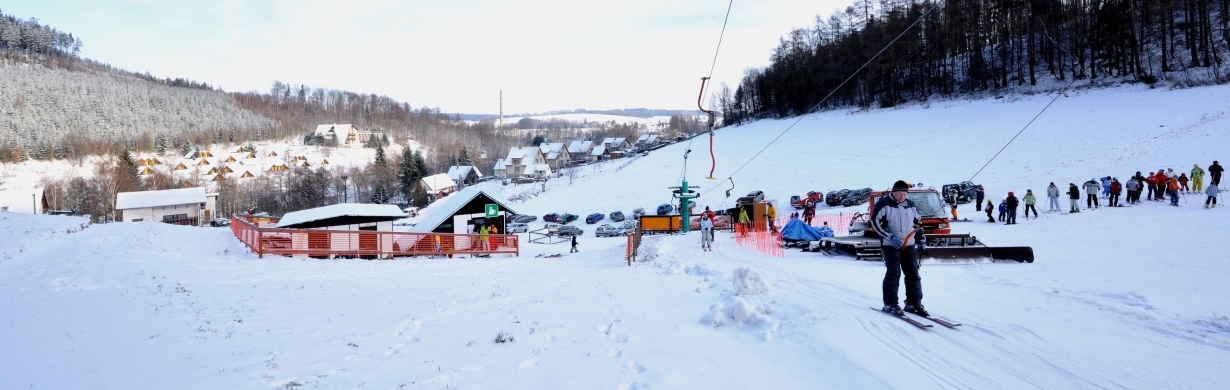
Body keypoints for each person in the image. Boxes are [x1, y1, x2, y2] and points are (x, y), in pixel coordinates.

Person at [873, 180, 926, 316]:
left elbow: (917, 223)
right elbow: (875, 221)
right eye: (899, 194)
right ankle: (890, 303)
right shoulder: (883, 203)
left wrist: (920, 238)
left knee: (913, 274)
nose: (902, 197)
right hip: (891, 245)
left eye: (904, 194)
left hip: (908, 244)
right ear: (893, 192)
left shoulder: (910, 205)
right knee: (894, 273)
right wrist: (889, 236)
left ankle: (913, 303)